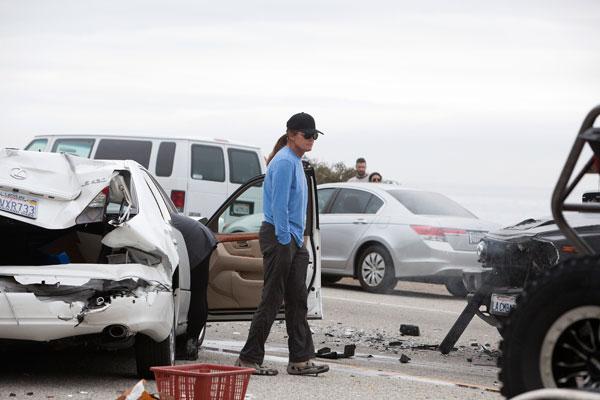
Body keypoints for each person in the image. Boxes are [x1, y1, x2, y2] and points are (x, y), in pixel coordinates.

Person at [235, 112, 329, 376]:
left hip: (292, 239)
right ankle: (248, 359)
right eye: (306, 135)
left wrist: (297, 241)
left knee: (297, 300)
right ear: (291, 135)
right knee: (272, 299)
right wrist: (287, 239)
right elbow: (277, 206)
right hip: (280, 236)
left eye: (314, 135)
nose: (311, 139)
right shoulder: (285, 162)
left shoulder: (297, 162)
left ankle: (300, 359)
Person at [170, 213, 218, 360]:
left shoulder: (141, 221)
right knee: (198, 293)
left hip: (197, 240)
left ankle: (190, 346)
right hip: (198, 235)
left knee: (197, 293)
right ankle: (188, 343)